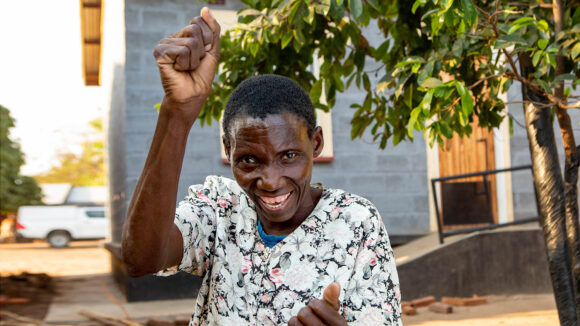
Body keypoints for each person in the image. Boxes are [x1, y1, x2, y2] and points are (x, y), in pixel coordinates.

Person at [122, 7, 402, 326]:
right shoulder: (219, 209)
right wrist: (177, 111)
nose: (270, 181)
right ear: (228, 152)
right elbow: (140, 259)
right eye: (249, 161)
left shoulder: (355, 222)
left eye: (289, 156)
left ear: (317, 144)